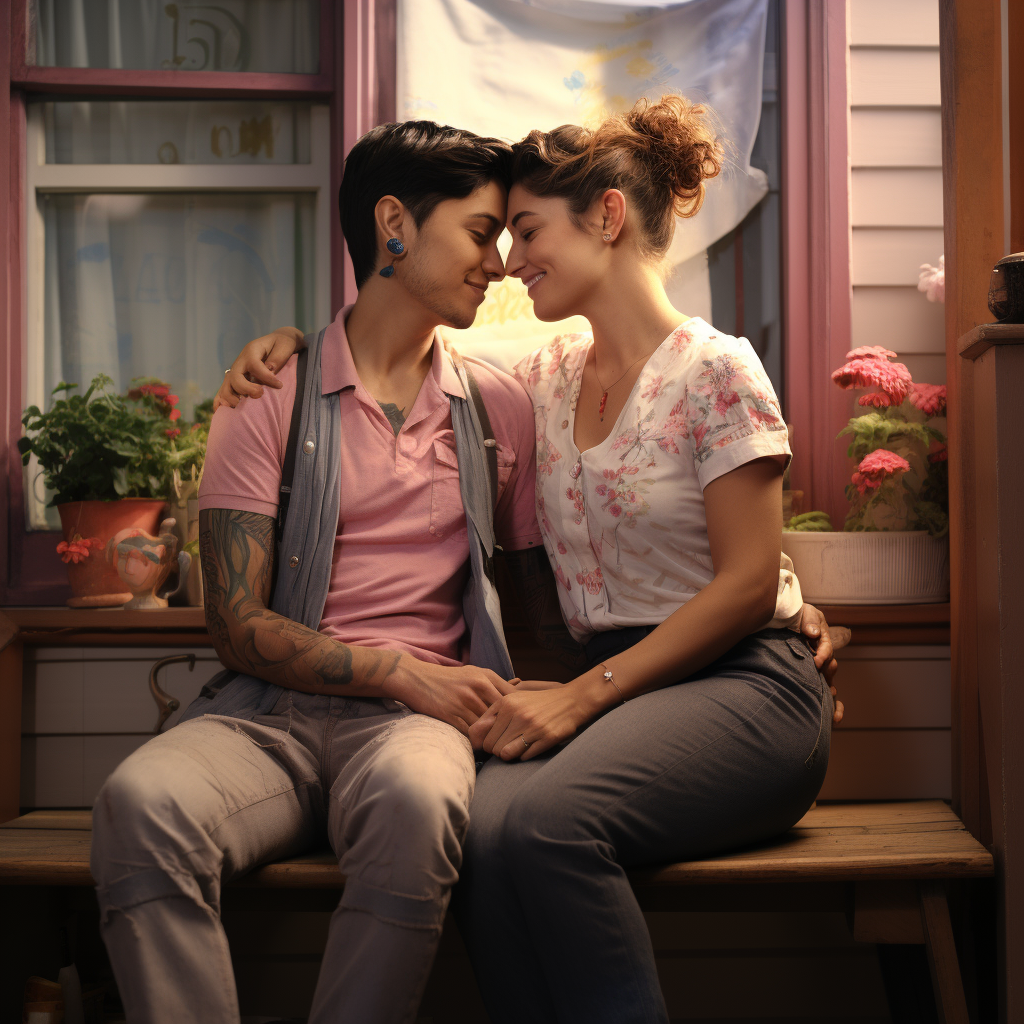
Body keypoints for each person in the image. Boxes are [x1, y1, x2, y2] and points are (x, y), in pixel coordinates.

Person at [224, 95, 844, 1024]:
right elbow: (393, 339)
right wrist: (282, 347)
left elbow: (752, 582)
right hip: (621, 690)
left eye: (525, 229)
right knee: (480, 825)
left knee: (549, 824)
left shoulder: (717, 370)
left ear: (607, 216)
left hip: (743, 686)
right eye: (499, 234)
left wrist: (586, 693)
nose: (507, 260)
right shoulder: (543, 378)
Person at [90, 120, 551, 1024]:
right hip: (268, 718)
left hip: (416, 729)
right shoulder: (271, 393)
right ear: (394, 224)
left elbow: (539, 597)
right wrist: (392, 666)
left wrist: (776, 609)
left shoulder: (500, 405)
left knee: (421, 803)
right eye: (479, 231)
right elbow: (233, 622)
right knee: (138, 804)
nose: (498, 261)